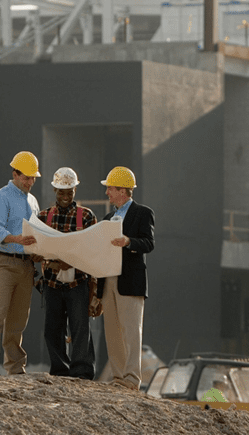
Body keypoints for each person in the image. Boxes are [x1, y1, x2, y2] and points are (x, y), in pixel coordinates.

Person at [0, 151, 41, 376]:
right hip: (3, 262)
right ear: (15, 173)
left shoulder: (32, 201)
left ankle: (15, 366)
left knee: (19, 317)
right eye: (26, 177)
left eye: (33, 178)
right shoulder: (0, 198)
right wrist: (17, 239)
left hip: (26, 265)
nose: (30, 182)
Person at [97, 166, 155, 390]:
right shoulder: (108, 217)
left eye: (110, 189)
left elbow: (149, 243)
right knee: (112, 330)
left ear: (122, 190)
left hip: (130, 281)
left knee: (131, 331)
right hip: (109, 279)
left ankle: (132, 379)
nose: (107, 193)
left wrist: (128, 241)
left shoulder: (143, 213)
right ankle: (119, 377)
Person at [36, 167, 96, 379]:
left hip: (78, 282)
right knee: (53, 329)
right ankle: (60, 370)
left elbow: (93, 252)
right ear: (54, 190)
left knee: (80, 328)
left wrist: (70, 263)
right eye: (61, 192)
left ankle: (82, 372)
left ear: (75, 190)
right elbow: (37, 250)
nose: (65, 196)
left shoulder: (86, 216)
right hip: (51, 283)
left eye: (69, 192)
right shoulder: (42, 217)